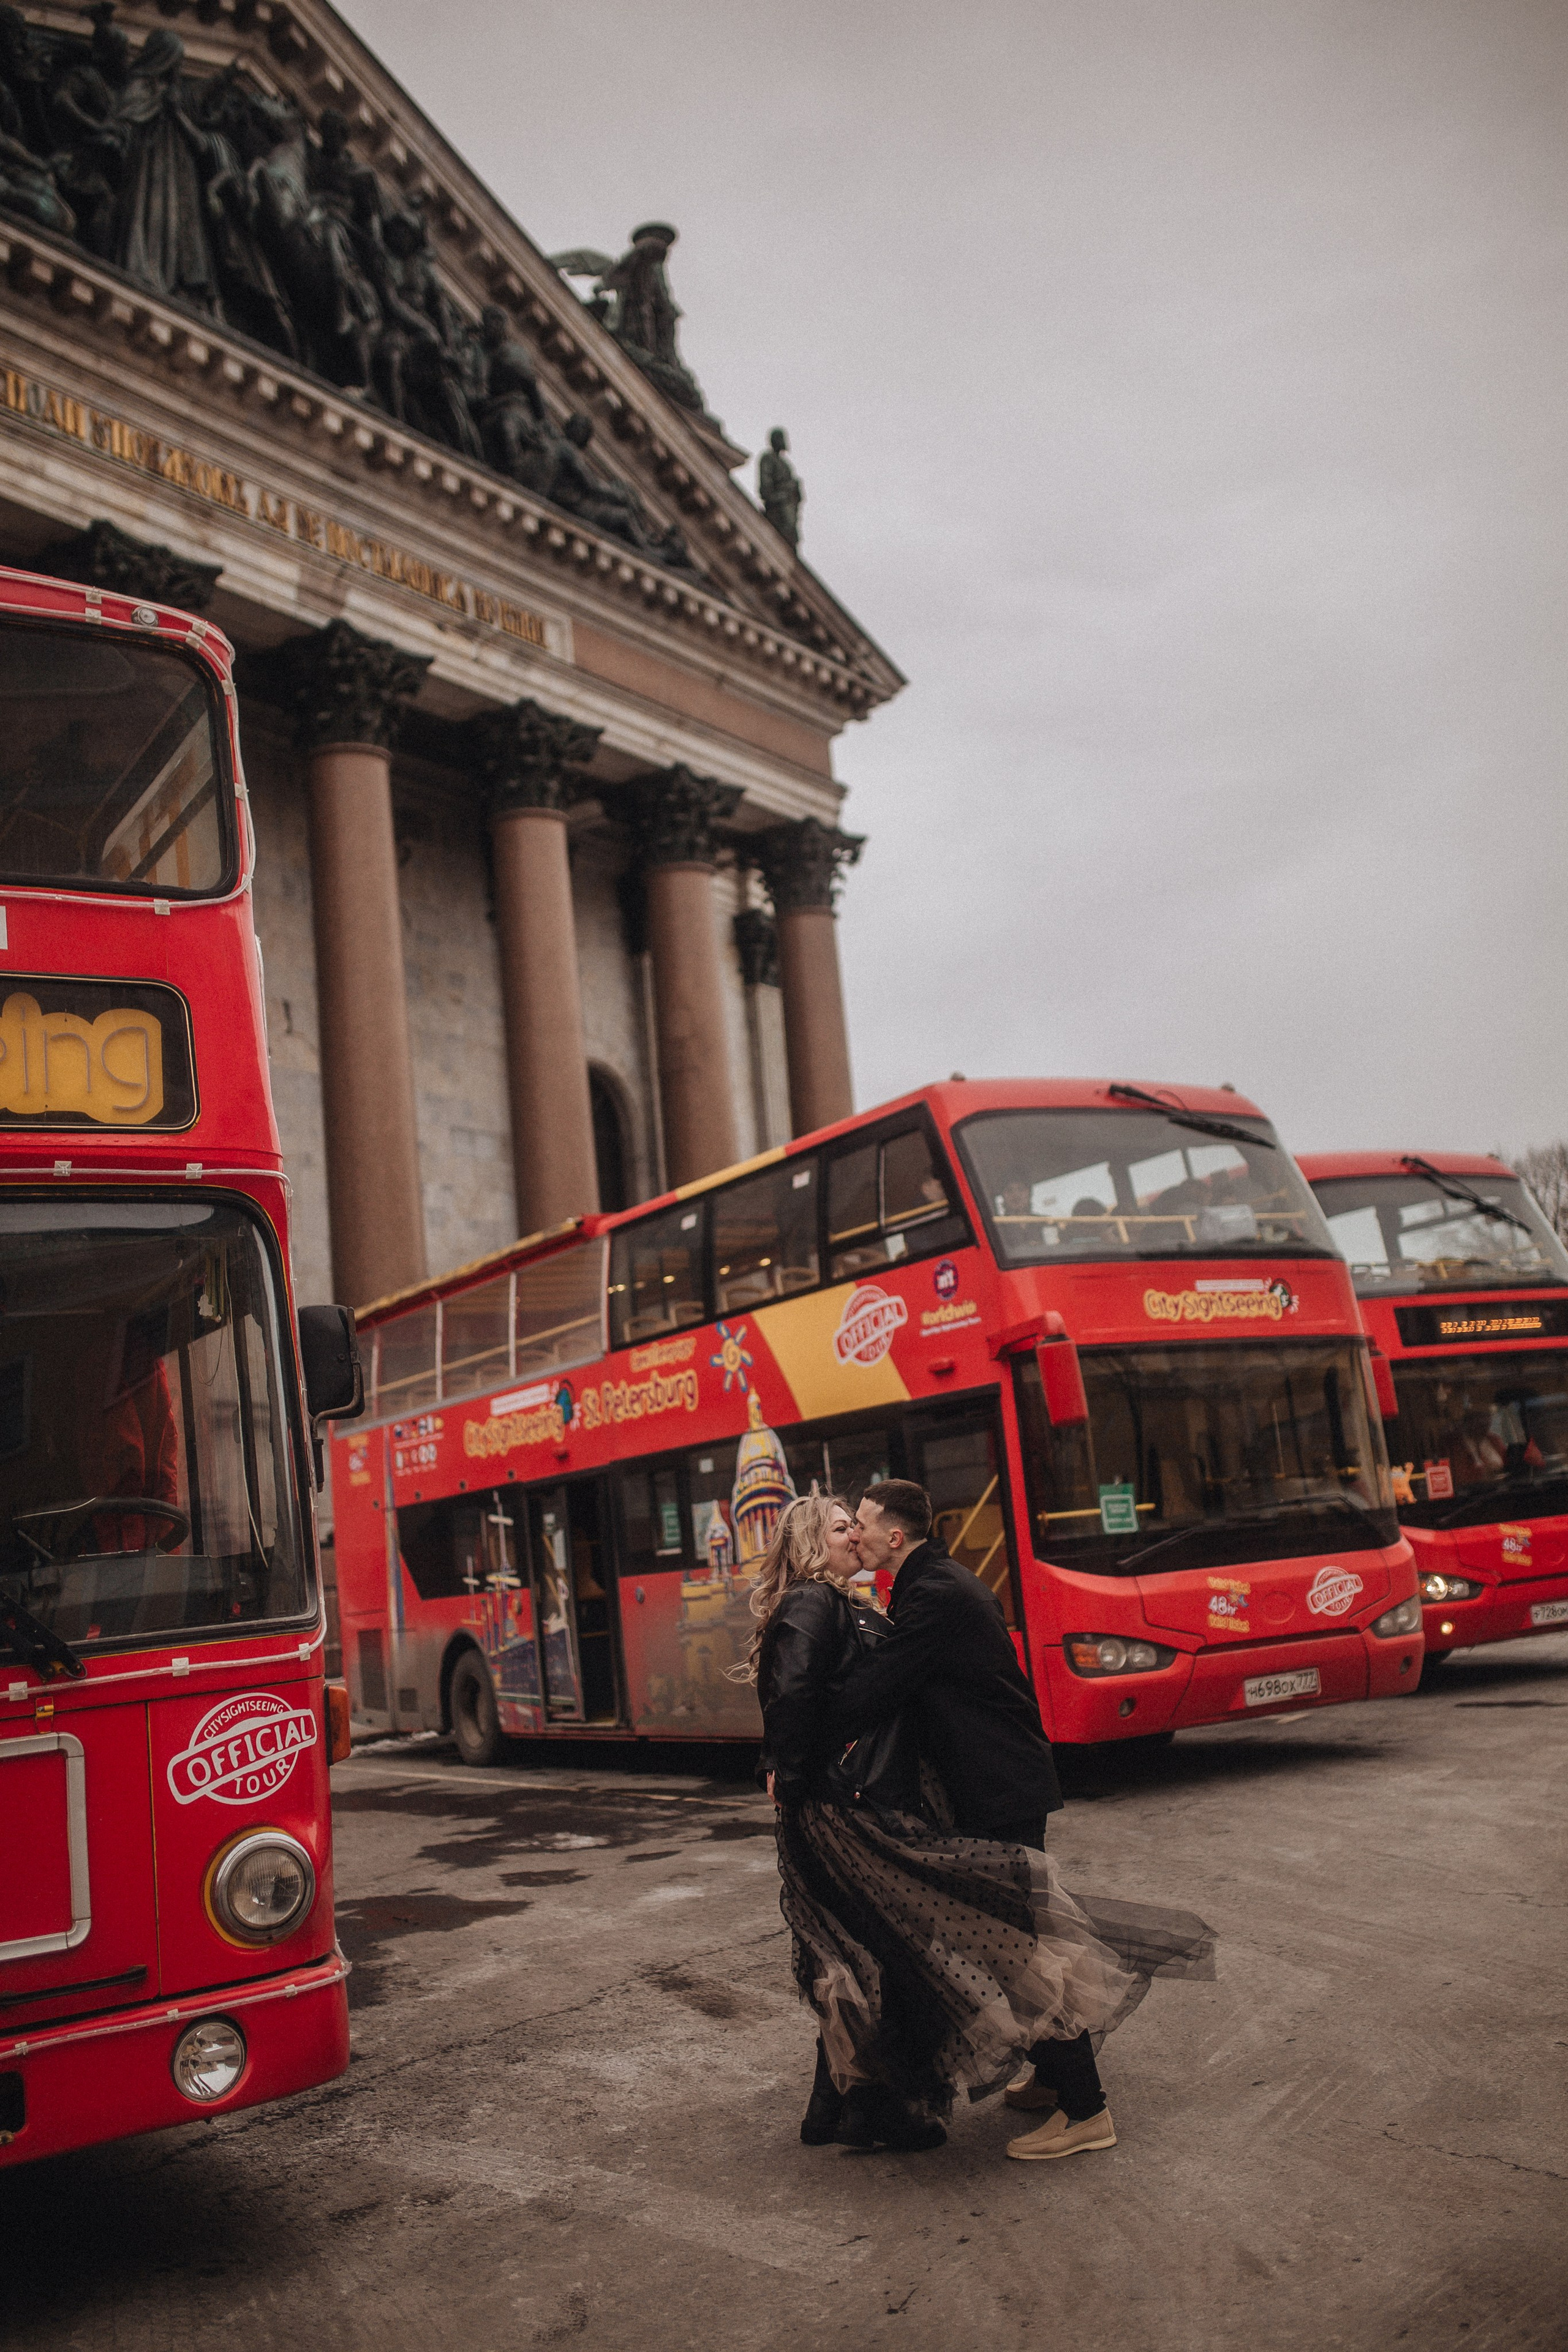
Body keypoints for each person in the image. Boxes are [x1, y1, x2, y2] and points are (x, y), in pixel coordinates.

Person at [750, 1488, 1212, 2158]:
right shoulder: (904, 1590)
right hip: (977, 1786)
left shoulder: (927, 1594)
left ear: (894, 1536)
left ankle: (1084, 2107)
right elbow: (832, 1689)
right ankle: (1044, 2083)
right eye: (843, 1527)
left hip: (993, 1786)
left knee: (1018, 1942)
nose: (857, 1536)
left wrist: (796, 1754)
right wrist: (792, 1756)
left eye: (863, 1524)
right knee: (962, 1939)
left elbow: (870, 1691)